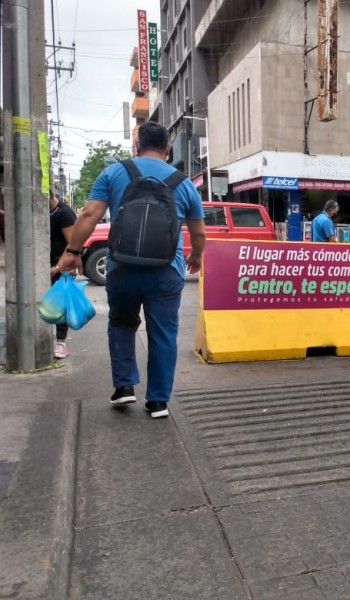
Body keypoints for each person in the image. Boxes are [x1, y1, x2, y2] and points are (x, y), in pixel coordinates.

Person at [56, 120, 206, 418]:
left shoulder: (114, 172)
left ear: (137, 146)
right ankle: (158, 401)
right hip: (166, 270)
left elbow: (88, 214)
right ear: (168, 148)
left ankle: (124, 387)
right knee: (163, 332)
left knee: (122, 324)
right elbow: (199, 232)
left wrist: (73, 252)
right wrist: (197, 258)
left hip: (122, 267)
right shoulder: (184, 182)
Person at [49, 192, 77, 358]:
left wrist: (58, 266)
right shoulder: (45, 212)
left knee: (61, 305)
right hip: (45, 264)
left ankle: (61, 343)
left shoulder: (63, 213)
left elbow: (73, 243)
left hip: (60, 264)